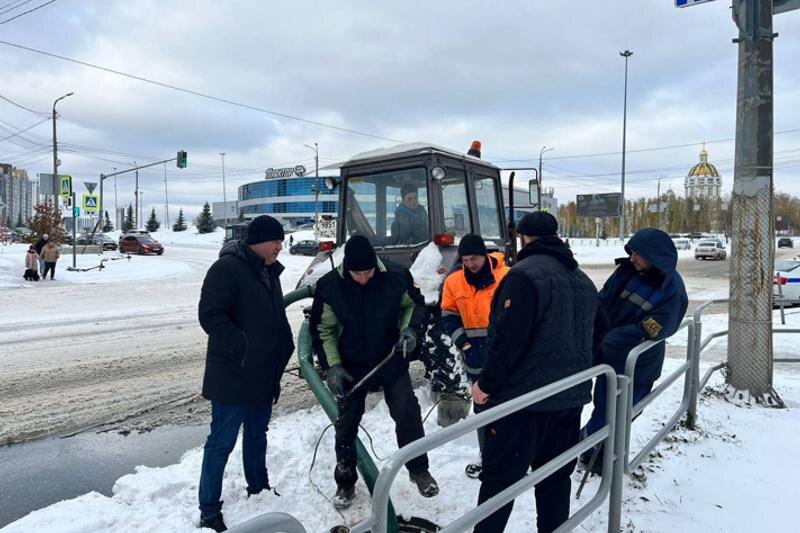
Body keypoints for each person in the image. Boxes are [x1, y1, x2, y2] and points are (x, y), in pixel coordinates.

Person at [472, 212, 599, 533]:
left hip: (523, 405)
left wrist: (486, 384)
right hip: (569, 401)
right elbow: (601, 335)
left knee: (499, 483)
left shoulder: (523, 276)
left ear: (523, 238)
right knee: (555, 479)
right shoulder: (582, 280)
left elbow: (508, 339)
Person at [310, 235, 438, 509]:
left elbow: (414, 306)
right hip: (351, 365)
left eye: (368, 272)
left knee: (407, 410)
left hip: (389, 358)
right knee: (346, 423)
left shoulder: (396, 275)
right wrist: (332, 366)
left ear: (375, 265)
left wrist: (410, 331)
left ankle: (418, 469)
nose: (364, 279)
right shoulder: (330, 286)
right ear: (347, 269)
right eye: (358, 274)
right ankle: (345, 481)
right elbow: (323, 330)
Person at [196, 215, 295, 532]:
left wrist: (283, 347)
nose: (280, 247)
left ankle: (259, 487)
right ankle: (209, 508)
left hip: (263, 373)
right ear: (259, 241)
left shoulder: (268, 270)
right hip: (233, 374)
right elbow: (210, 315)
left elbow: (274, 315)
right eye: (276, 241)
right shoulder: (227, 269)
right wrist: (243, 345)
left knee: (257, 435)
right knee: (221, 442)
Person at [580, 227, 688, 474]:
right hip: (607, 360)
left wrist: (610, 338)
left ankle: (590, 449)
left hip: (636, 366)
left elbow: (654, 328)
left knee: (621, 415)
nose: (632, 258)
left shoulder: (671, 289)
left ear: (654, 256)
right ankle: (595, 455)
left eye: (637, 253)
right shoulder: (626, 272)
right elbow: (603, 300)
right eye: (631, 252)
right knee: (604, 409)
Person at [439, 233, 509, 478]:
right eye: (466, 259)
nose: (471, 264)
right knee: (482, 406)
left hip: (505, 353)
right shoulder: (454, 281)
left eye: (475, 258)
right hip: (475, 355)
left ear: (485, 255)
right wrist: (463, 343)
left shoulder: (507, 276)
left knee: (510, 403)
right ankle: (487, 456)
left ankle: (514, 456)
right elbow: (448, 314)